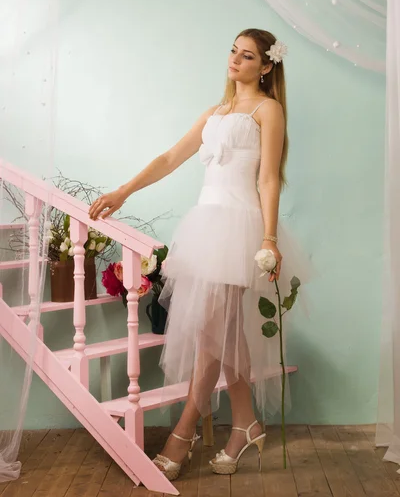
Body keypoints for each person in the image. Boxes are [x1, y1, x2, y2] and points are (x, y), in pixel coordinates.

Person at [89, 28, 312, 481]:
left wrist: (268, 239)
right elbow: (171, 157)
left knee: (212, 332)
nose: (235, 59)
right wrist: (124, 191)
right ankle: (246, 423)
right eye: (233, 50)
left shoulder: (268, 110)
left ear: (266, 67)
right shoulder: (215, 113)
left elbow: (269, 178)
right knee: (225, 334)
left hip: (239, 228)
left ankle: (185, 431)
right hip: (206, 226)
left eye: (247, 55)